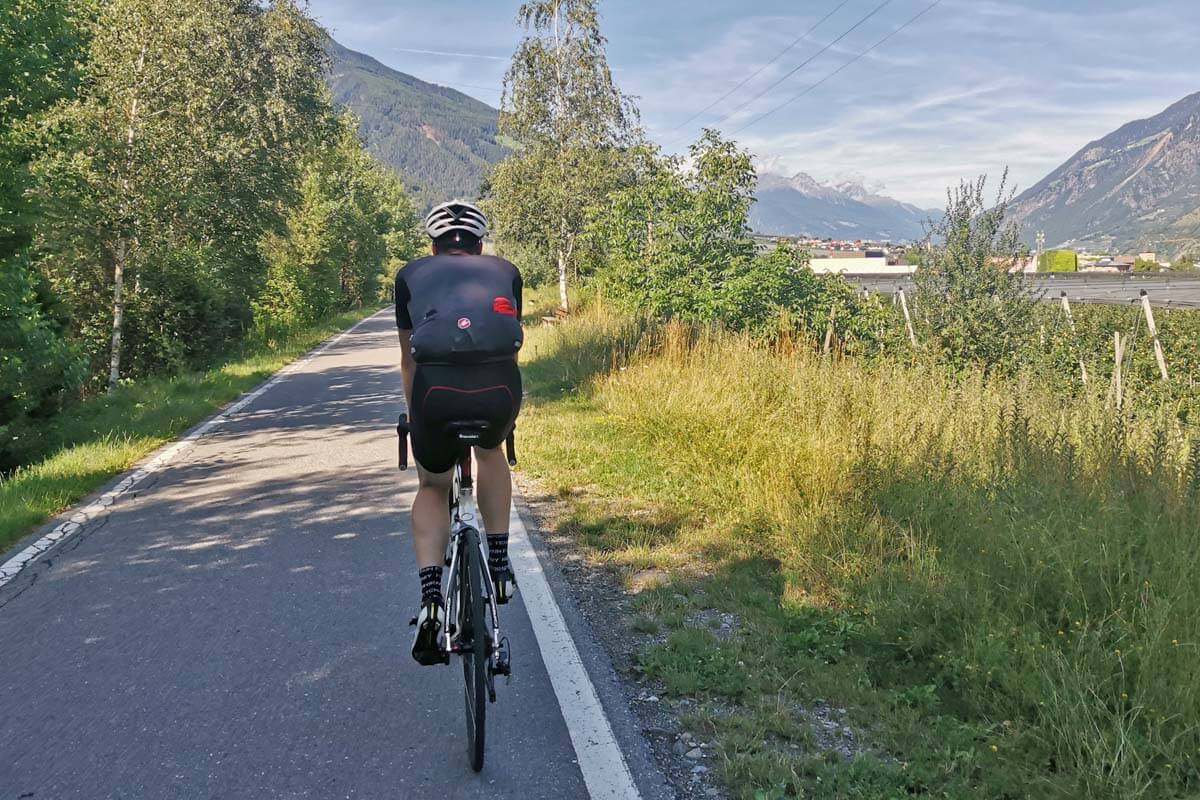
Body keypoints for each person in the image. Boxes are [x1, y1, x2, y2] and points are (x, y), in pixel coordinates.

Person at [395, 200, 523, 666]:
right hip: (497, 392)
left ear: (432, 246)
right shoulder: (506, 270)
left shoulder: (410, 275)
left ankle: (431, 598)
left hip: (435, 395)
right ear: (480, 244)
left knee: (432, 483)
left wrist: (415, 414)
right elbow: (508, 349)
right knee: (492, 454)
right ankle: (500, 561)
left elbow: (410, 358)